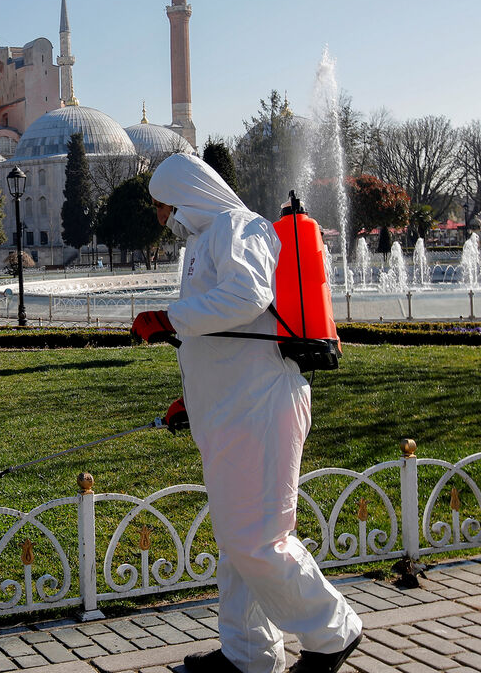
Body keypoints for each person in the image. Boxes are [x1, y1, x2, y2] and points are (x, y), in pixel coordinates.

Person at [130, 154, 362, 673]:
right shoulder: (201, 242)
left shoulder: (241, 226)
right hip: (231, 410)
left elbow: (247, 296)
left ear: (186, 193)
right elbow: (222, 344)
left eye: (163, 204)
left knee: (258, 538)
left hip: (262, 407)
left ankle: (333, 631)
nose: (161, 215)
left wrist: (168, 317)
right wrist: (193, 401)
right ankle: (248, 656)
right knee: (238, 540)